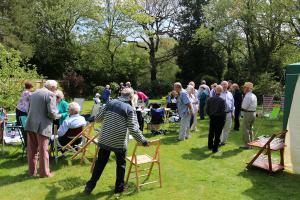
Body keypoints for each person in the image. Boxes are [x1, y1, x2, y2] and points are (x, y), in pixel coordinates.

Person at [85, 87, 149, 195]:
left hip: (104, 139)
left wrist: (96, 118)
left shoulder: (110, 103)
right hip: (119, 142)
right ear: (130, 97)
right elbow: (133, 128)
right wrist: (143, 141)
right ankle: (119, 189)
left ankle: (89, 187)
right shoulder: (129, 108)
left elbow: (99, 118)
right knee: (121, 165)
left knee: (99, 164)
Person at [25, 80, 60, 178]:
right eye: (56, 88)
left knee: (32, 150)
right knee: (43, 149)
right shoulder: (50, 94)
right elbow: (52, 112)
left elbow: (28, 109)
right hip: (42, 126)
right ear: (52, 87)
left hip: (30, 123)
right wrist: (58, 116)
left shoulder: (34, 93)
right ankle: (45, 173)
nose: (56, 90)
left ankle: (32, 172)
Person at [206, 85, 226, 153]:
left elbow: (207, 110)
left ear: (215, 90)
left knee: (211, 132)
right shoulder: (222, 100)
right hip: (219, 118)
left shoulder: (210, 99)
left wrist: (211, 115)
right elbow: (223, 111)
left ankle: (210, 146)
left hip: (212, 117)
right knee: (217, 134)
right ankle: (215, 149)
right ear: (221, 91)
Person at [240, 82, 257, 149]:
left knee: (245, 129)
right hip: (253, 113)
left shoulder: (247, 96)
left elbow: (244, 107)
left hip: (248, 113)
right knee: (250, 128)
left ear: (247, 88)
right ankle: (251, 144)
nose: (243, 89)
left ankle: (247, 145)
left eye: (244, 87)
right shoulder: (253, 95)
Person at [220, 81, 235, 146]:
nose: (224, 85)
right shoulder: (218, 93)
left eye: (225, 84)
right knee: (220, 128)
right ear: (221, 85)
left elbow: (233, 104)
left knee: (227, 128)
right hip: (220, 114)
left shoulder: (230, 94)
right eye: (223, 84)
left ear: (227, 85)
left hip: (229, 113)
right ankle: (219, 141)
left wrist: (233, 112)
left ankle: (224, 141)